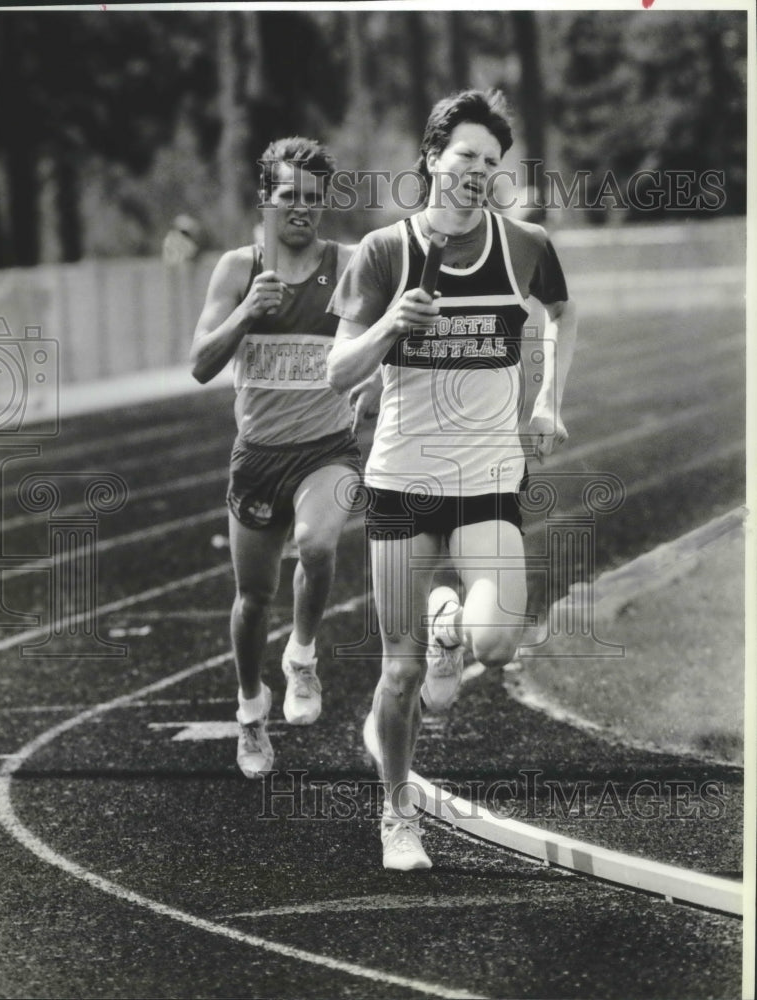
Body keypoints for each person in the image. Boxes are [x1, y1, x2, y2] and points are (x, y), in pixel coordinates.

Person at [327, 90, 577, 870]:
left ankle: (452, 632)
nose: (478, 173)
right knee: (398, 675)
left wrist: (547, 400)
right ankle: (397, 815)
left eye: (491, 163)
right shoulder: (383, 251)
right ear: (432, 158)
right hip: (403, 478)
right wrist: (390, 326)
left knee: (498, 644)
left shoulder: (525, 244)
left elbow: (566, 313)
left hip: (488, 473)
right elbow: (337, 373)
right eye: (465, 156)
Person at [190, 137, 364, 779]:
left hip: (327, 449)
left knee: (319, 547)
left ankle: (302, 655)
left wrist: (371, 382)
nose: (302, 209)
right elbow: (201, 365)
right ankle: (249, 711)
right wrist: (245, 315)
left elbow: (377, 342)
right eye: (289, 196)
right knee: (251, 599)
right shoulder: (239, 269)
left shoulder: (347, 265)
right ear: (266, 200)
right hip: (259, 455)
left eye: (313, 199)